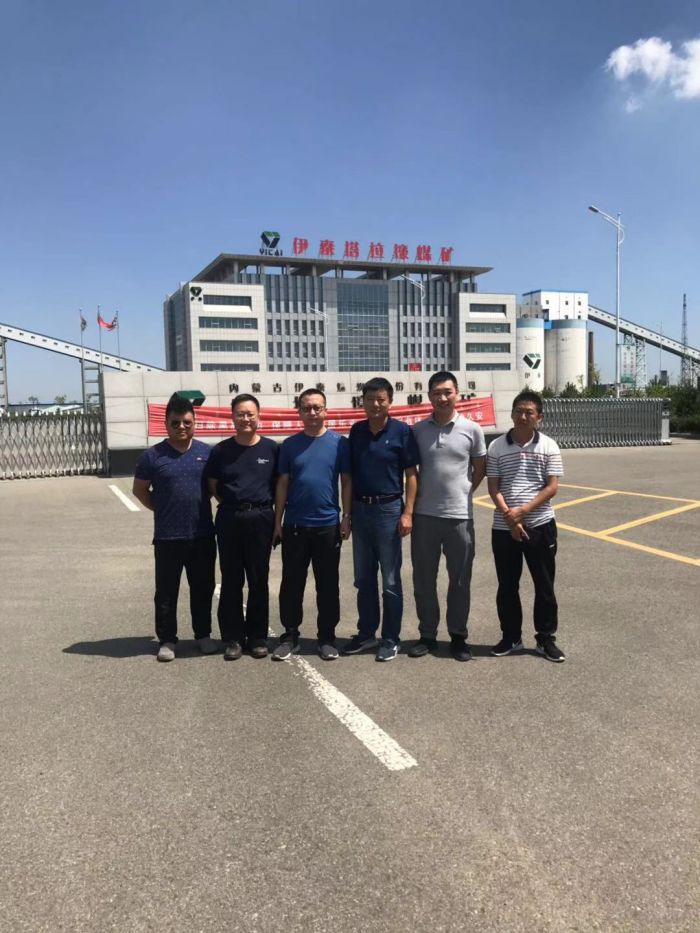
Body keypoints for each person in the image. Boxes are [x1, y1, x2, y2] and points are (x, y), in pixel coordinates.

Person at [132, 393, 217, 662]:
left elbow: (212, 489)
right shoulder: (153, 456)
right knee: (166, 592)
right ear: (166, 424)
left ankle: (203, 634)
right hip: (168, 537)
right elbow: (140, 490)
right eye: (176, 422)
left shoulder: (206, 453)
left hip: (202, 534)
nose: (181, 427)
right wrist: (161, 508)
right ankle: (167, 639)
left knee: (203, 588)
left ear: (194, 423)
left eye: (187, 422)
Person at [408, 371, 486, 661]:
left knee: (460, 580)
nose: (442, 398)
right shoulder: (417, 431)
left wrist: (464, 491)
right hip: (424, 516)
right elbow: (412, 472)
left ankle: (458, 636)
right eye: (436, 393)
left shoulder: (472, 429)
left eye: (447, 392)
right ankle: (427, 635)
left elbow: (479, 468)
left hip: (460, 517)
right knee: (424, 580)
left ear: (457, 394)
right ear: (429, 396)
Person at [271, 389, 352, 661]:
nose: (312, 412)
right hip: (295, 525)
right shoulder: (289, 445)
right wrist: (278, 522)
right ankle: (290, 634)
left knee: (327, 584)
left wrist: (346, 517)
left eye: (317, 407)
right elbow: (282, 483)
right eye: (307, 408)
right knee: (291, 583)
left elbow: (346, 481)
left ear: (326, 410)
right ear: (299, 412)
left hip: (327, 525)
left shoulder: (340, 444)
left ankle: (326, 637)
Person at [343, 377, 419, 661]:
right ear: (361, 401)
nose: (375, 404)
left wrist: (408, 512)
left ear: (390, 401)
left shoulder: (401, 431)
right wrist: (347, 515)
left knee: (390, 580)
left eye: (381, 399)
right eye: (370, 399)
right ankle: (366, 634)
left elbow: (411, 475)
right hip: (361, 510)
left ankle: (390, 638)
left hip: (389, 511)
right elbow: (349, 476)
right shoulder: (357, 431)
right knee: (363, 579)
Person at [486, 389, 566, 662]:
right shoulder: (496, 447)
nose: (523, 416)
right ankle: (511, 637)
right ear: (511, 414)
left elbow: (552, 487)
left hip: (540, 525)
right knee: (507, 585)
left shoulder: (549, 446)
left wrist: (523, 512)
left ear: (539, 417)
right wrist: (510, 517)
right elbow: (493, 487)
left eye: (529, 412)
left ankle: (545, 639)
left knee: (544, 584)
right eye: (518, 411)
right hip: (503, 527)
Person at [205, 394, 278, 660]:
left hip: (261, 518)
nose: (245, 419)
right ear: (232, 417)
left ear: (259, 416)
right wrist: (232, 504)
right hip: (230, 518)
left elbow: (279, 485)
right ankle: (233, 637)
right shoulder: (221, 451)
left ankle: (258, 636)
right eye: (240, 414)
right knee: (231, 579)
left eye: (250, 414)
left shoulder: (271, 449)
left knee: (259, 579)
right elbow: (213, 485)